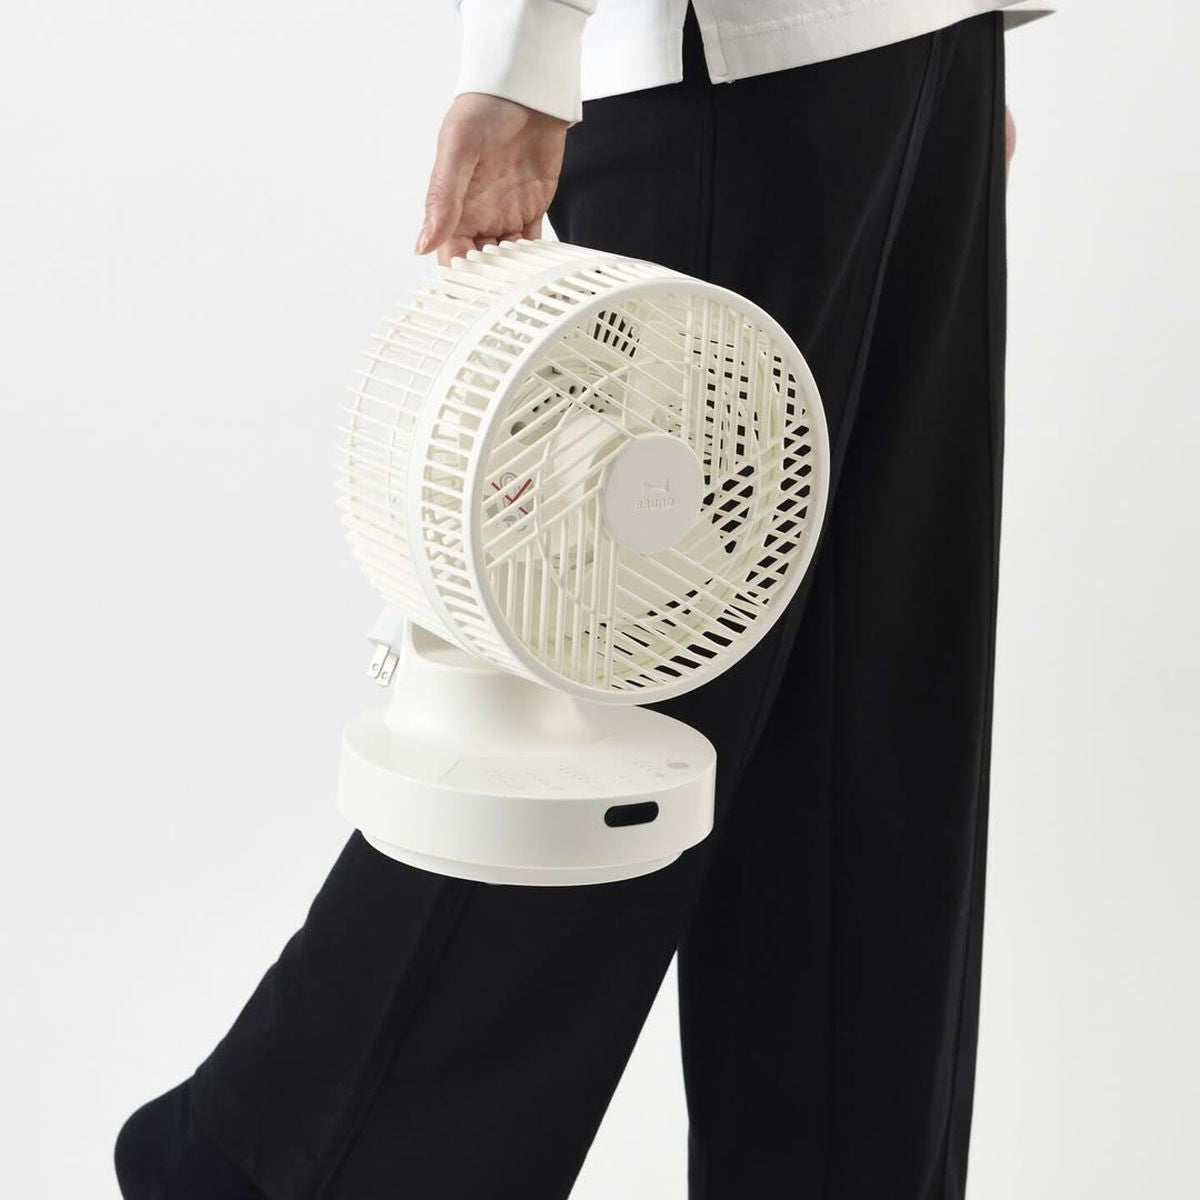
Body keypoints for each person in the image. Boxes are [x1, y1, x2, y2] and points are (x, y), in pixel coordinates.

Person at [114, 2, 1052, 1197]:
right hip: (726, 62)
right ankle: (268, 1165)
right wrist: (525, 57)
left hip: (914, 43)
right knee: (598, 710)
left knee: (876, 726)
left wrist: (966, 42)